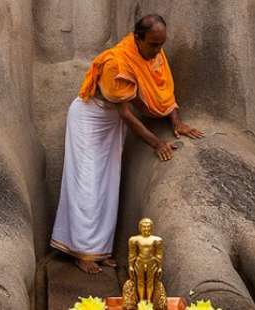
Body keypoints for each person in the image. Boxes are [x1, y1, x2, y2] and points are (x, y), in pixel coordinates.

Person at [49, 14, 204, 274]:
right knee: (85, 183)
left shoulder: (153, 54)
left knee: (108, 184)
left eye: (161, 44)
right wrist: (156, 143)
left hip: (111, 122)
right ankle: (81, 251)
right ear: (137, 38)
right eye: (154, 44)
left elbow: (164, 91)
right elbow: (127, 113)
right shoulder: (117, 62)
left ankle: (99, 249)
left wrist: (177, 122)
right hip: (90, 117)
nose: (158, 50)